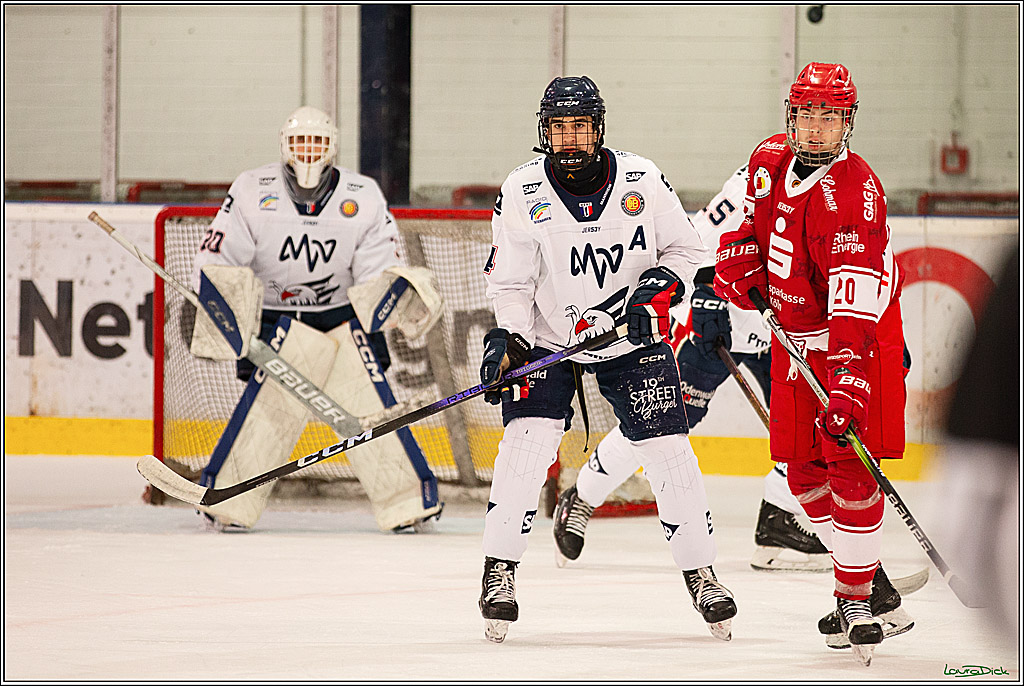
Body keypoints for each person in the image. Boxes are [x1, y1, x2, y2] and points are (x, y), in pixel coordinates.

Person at [477, 75, 736, 644]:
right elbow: (512, 282)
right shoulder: (522, 190)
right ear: (544, 131)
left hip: (628, 337)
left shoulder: (641, 179)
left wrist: (656, 293)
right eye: (558, 127)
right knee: (525, 446)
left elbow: (687, 250)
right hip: (550, 338)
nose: (569, 138)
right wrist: (510, 338)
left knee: (669, 451)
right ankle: (499, 570)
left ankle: (702, 573)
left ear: (599, 128)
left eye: (580, 126)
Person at [713, 62, 913, 665]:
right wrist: (738, 263)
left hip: (859, 341)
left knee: (851, 470)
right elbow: (747, 230)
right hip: (794, 340)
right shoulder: (768, 160)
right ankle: (867, 578)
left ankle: (854, 599)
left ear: (847, 122)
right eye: (807, 114)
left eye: (830, 116)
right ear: (791, 116)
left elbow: (854, 303)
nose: (817, 127)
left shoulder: (856, 193)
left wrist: (848, 382)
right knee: (801, 473)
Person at [552, 165, 831, 575]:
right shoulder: (760, 174)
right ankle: (582, 496)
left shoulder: (837, 184)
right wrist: (706, 294)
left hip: (783, 328)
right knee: (657, 422)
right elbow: (695, 243)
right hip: (719, 324)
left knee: (805, 425)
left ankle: (778, 522)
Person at [190, 105, 443, 534]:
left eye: (317, 141)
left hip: (342, 319)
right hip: (275, 320)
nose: (308, 150)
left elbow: (378, 267)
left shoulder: (363, 194)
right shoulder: (252, 188)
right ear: (284, 145)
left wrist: (391, 298)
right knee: (269, 413)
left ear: (332, 147)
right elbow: (218, 256)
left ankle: (408, 504)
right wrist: (224, 298)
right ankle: (229, 501)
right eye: (300, 141)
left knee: (368, 411)